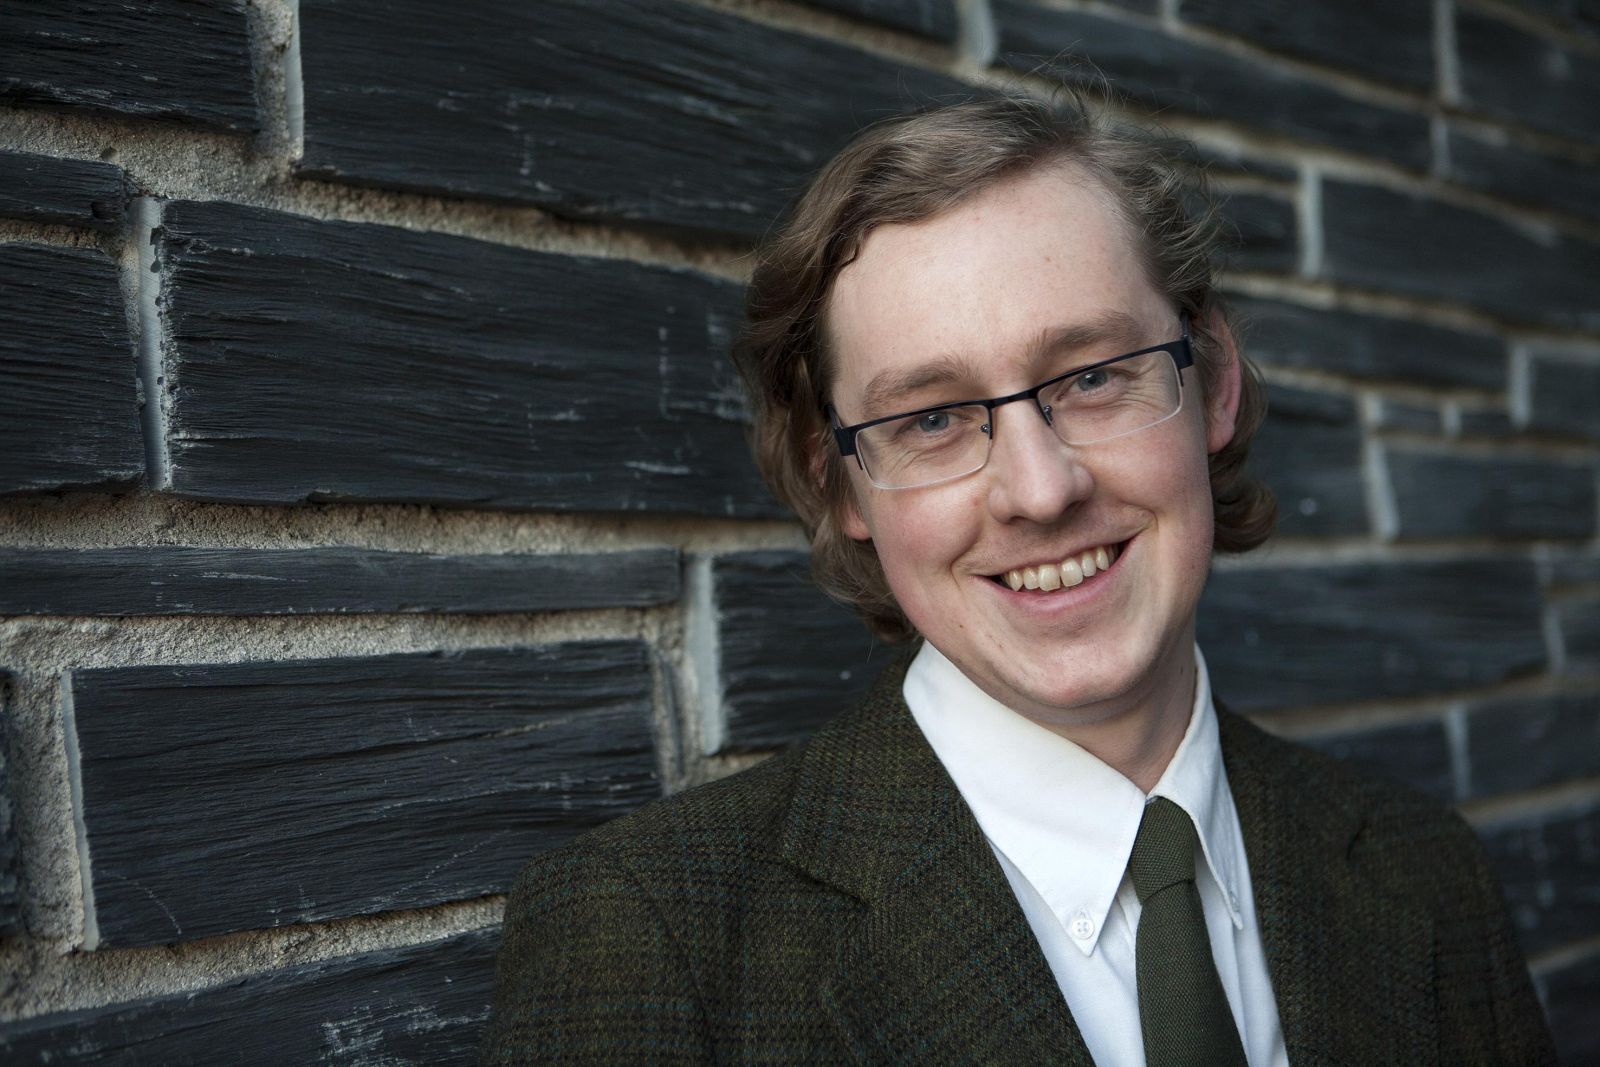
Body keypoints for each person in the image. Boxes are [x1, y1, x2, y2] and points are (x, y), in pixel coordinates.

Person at [483, 92, 1556, 1065]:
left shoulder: (1425, 873)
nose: (1040, 490)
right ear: (840, 481)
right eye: (931, 420)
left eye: (1092, 376)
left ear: (1215, 382)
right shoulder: (646, 935)